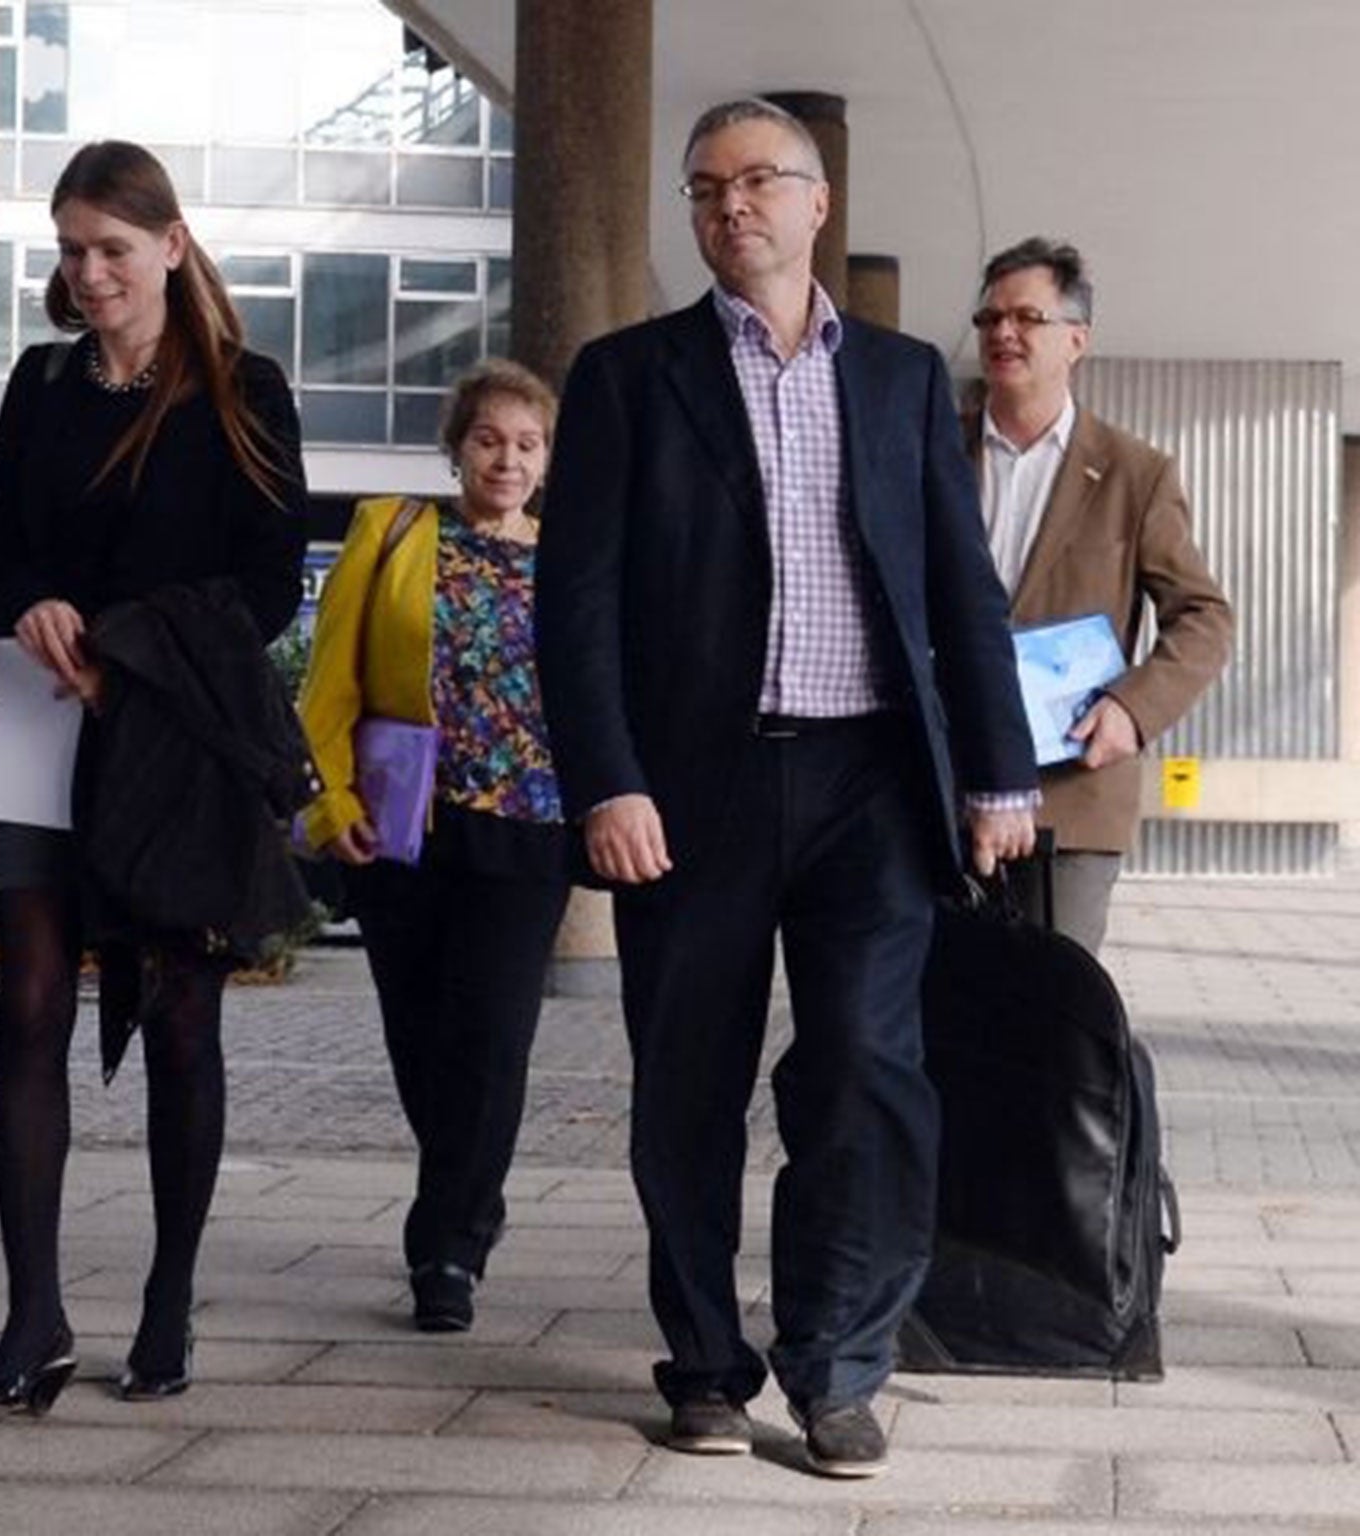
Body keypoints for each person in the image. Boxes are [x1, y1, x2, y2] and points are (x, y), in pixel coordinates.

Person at [535, 98, 1037, 1479]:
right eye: (705, 187)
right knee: (685, 1086)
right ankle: (704, 1362)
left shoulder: (896, 378)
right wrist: (607, 782)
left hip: (870, 783)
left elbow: (959, 590)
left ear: (819, 205)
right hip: (690, 791)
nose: (731, 205)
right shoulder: (629, 376)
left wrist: (997, 769)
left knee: (869, 1075)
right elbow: (570, 607)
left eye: (760, 181)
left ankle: (837, 1366)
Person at [0, 139, 307, 1415]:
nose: (89, 272)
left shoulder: (240, 388)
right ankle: (31, 1317)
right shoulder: (43, 386)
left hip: (169, 741)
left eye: (112, 247)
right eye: (69, 249)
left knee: (177, 1017)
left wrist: (133, 651)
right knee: (32, 1004)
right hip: (43, 726)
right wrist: (34, 603)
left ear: (170, 245)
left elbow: (270, 581)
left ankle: (166, 1301)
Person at [296, 360, 573, 1335]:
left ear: (546, 458)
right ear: (456, 447)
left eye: (526, 443)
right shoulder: (393, 533)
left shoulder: (572, 556)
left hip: (529, 825)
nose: (506, 458)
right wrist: (328, 805)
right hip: (404, 826)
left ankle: (448, 1247)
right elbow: (326, 684)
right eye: (489, 439)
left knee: (492, 1044)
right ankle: (464, 1201)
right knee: (420, 1042)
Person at [970, 237, 1233, 952]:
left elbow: (1204, 616)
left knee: (1054, 1021)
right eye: (989, 319)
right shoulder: (930, 450)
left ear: (1076, 340)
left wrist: (1132, 708)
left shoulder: (1134, 474)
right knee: (938, 1013)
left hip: (1072, 793)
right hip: (941, 784)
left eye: (1027, 317)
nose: (1003, 333)